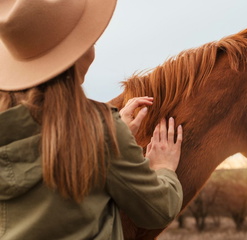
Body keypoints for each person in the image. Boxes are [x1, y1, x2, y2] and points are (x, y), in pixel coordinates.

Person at [0, 0, 183, 239]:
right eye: (90, 41)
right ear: (78, 57)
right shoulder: (101, 131)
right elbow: (157, 211)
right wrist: (163, 167)